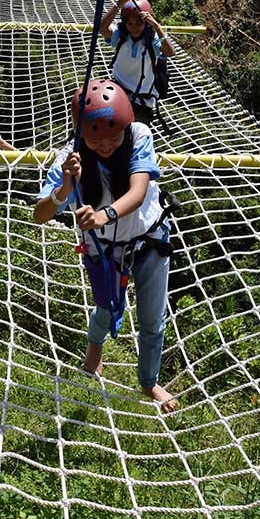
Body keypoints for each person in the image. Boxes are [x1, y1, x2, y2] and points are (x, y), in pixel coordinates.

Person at [33, 79, 178, 413]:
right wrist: (65, 187)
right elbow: (41, 214)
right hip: (103, 248)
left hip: (149, 238)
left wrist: (103, 215)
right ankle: (94, 349)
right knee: (108, 308)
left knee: (153, 317)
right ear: (82, 133)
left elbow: (138, 190)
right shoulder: (68, 157)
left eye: (113, 136)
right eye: (96, 140)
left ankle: (148, 381)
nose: (107, 145)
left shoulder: (139, 134)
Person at [99, 0, 176, 125]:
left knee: (132, 136)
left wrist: (157, 27)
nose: (134, 27)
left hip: (141, 102)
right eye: (130, 23)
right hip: (116, 93)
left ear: (146, 24)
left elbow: (170, 53)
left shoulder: (152, 39)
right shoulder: (121, 34)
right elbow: (102, 29)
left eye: (138, 24)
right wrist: (119, 3)